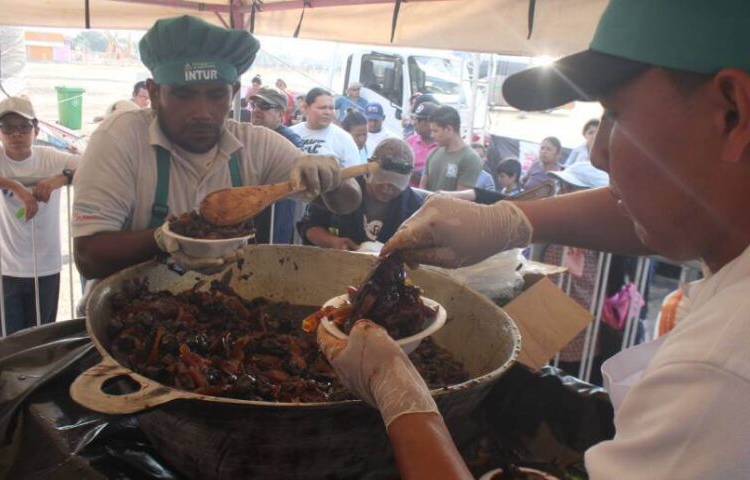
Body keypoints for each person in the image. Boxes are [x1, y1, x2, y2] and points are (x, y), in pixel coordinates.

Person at [317, 0, 750, 478]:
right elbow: (672, 204)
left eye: (616, 115)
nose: (599, 152)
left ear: (731, 113)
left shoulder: (723, 372)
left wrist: (401, 396)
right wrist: (510, 220)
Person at [72, 16, 360, 281]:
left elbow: (348, 202)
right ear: (156, 92)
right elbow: (88, 257)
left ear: (234, 92)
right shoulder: (120, 138)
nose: (202, 112)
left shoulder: (256, 145)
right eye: (184, 95)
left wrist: (330, 177)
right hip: (126, 312)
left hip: (221, 304)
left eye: (216, 95)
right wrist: (165, 240)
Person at [0, 96, 78, 337]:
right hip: (3, 269)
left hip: (45, 268)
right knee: (5, 344)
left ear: (36, 130)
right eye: (8, 127)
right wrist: (13, 185)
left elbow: (93, 164)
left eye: (24, 127)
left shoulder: (49, 157)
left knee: (42, 342)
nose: (17, 134)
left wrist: (60, 178)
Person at [541, 162, 610, 378]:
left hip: (575, 336)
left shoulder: (588, 238)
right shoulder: (566, 231)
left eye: (570, 189)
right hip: (557, 333)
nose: (562, 193)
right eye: (563, 187)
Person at [297, 138, 424, 250]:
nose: (387, 189)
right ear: (369, 172)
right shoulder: (340, 188)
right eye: (381, 182)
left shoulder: (415, 206)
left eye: (395, 186)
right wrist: (333, 241)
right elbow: (309, 226)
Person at [248, 87, 303, 244]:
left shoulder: (290, 140)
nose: (257, 110)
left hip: (274, 221)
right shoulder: (248, 135)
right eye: (255, 105)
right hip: (251, 217)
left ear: (280, 113)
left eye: (264, 106)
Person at [291, 88, 362, 167]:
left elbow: (353, 173)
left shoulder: (344, 138)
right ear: (306, 107)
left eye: (331, 108)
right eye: (322, 108)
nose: (327, 112)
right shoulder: (291, 133)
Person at [420, 106, 482, 192]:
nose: (432, 135)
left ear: (449, 129)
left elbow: (460, 199)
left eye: (435, 131)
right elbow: (421, 191)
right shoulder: (433, 153)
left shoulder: (470, 158)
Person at [404, 102, 438, 187]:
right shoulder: (409, 142)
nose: (414, 123)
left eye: (418, 120)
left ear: (430, 122)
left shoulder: (443, 146)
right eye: (414, 119)